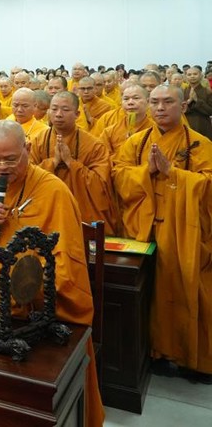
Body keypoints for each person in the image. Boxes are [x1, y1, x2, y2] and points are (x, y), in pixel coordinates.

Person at [0, 120, 103, 426]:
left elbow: (66, 260)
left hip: (31, 311)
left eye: (10, 159)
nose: (2, 168)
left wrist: (26, 286)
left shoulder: (53, 191)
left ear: (27, 149)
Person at [113, 85, 212, 383]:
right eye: (155, 102)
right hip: (144, 229)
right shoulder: (137, 142)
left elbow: (208, 186)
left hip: (185, 231)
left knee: (190, 287)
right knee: (150, 293)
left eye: (168, 102)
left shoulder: (200, 144)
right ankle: (156, 353)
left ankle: (193, 359)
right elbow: (118, 175)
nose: (160, 108)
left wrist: (173, 173)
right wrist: (146, 172)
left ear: (183, 107)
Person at [29, 91, 116, 234]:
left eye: (65, 109)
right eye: (54, 109)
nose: (58, 114)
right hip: (47, 206)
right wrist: (53, 162)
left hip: (82, 210)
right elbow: (27, 177)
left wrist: (70, 162)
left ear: (77, 114)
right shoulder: (38, 141)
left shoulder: (93, 145)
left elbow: (101, 185)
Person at [98, 84, 155, 156]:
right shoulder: (109, 132)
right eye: (126, 99)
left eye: (136, 98)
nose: (130, 102)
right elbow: (101, 157)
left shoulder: (155, 130)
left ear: (148, 102)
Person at [183, 66, 212, 140]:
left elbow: (210, 111)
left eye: (195, 74)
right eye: (189, 74)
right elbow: (179, 110)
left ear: (201, 75)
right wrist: (189, 101)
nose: (192, 76)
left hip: (203, 124)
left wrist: (197, 100)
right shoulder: (183, 91)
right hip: (187, 123)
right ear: (186, 76)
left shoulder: (207, 91)